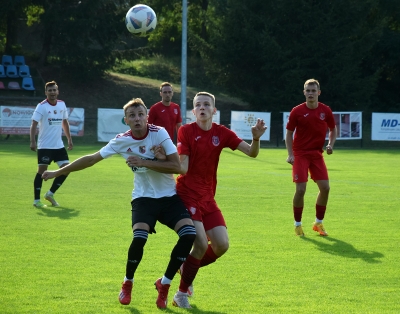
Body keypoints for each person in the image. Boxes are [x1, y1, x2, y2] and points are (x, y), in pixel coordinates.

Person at [41, 98, 196, 309]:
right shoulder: (121, 141)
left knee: (189, 235)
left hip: (168, 197)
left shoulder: (159, 133)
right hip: (143, 199)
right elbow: (91, 158)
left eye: (141, 114)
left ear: (147, 116)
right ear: (126, 121)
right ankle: (128, 282)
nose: (137, 118)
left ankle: (165, 283)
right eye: (132, 116)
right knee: (139, 238)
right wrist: (58, 171)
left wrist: (145, 162)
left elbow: (177, 167)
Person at [164, 91, 267, 308]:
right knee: (200, 244)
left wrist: (255, 139)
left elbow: (252, 153)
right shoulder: (186, 131)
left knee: (221, 245)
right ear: (193, 111)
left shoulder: (222, 133)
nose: (202, 108)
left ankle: (185, 268)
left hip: (208, 197)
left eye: (207, 104)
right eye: (198, 105)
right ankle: (181, 294)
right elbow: (183, 166)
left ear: (214, 110)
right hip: (187, 194)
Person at [285, 78, 337, 237]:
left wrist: (330, 144)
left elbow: (333, 129)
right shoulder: (297, 111)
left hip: (316, 154)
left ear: (319, 93)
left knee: (326, 188)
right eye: (308, 91)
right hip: (300, 153)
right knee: (301, 190)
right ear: (304, 93)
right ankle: (297, 225)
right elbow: (288, 133)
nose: (310, 93)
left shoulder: (325, 110)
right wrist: (290, 154)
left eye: (313, 91)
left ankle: (318, 223)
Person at [30, 81, 73, 208]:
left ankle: (50, 193)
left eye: (54, 90)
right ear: (46, 92)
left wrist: (69, 139)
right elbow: (33, 124)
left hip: (59, 145)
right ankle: (36, 200)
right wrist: (32, 141)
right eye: (50, 90)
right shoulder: (41, 106)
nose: (52, 92)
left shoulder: (62, 104)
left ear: (57, 91)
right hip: (45, 146)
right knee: (41, 172)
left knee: (67, 168)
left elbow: (65, 122)